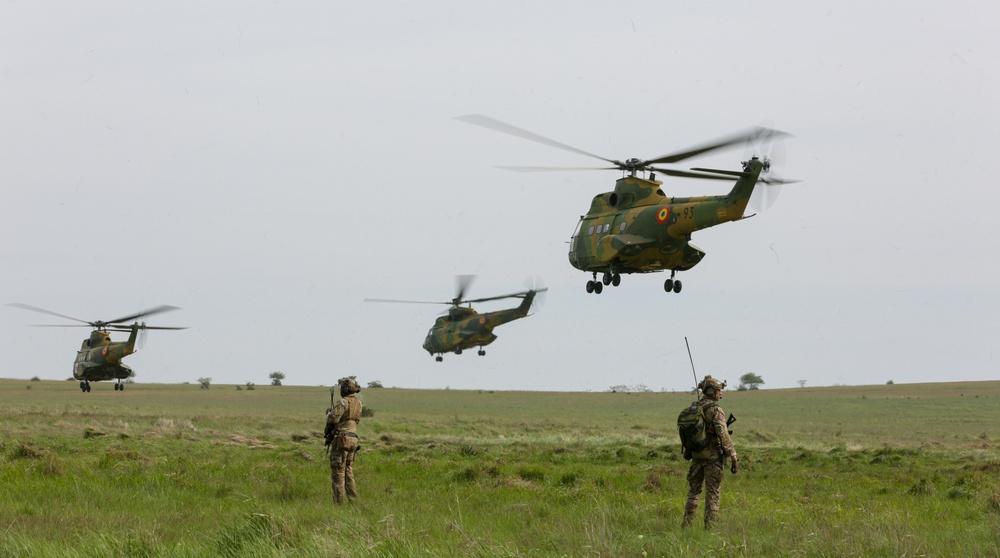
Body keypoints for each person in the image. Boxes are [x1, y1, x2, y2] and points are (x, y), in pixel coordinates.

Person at [682, 375, 738, 529]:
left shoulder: (695, 408)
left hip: (696, 456)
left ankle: (686, 526)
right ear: (712, 391)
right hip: (713, 457)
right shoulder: (716, 410)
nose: (721, 393)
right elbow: (723, 434)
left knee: (693, 493)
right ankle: (710, 529)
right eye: (719, 390)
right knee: (712, 494)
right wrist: (733, 455)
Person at [325, 378, 362, 504]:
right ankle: (354, 501)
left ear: (344, 389)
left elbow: (333, 419)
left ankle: (338, 504)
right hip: (353, 439)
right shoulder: (359, 403)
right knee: (348, 471)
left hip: (341, 440)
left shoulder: (343, 402)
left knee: (338, 472)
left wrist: (328, 414)